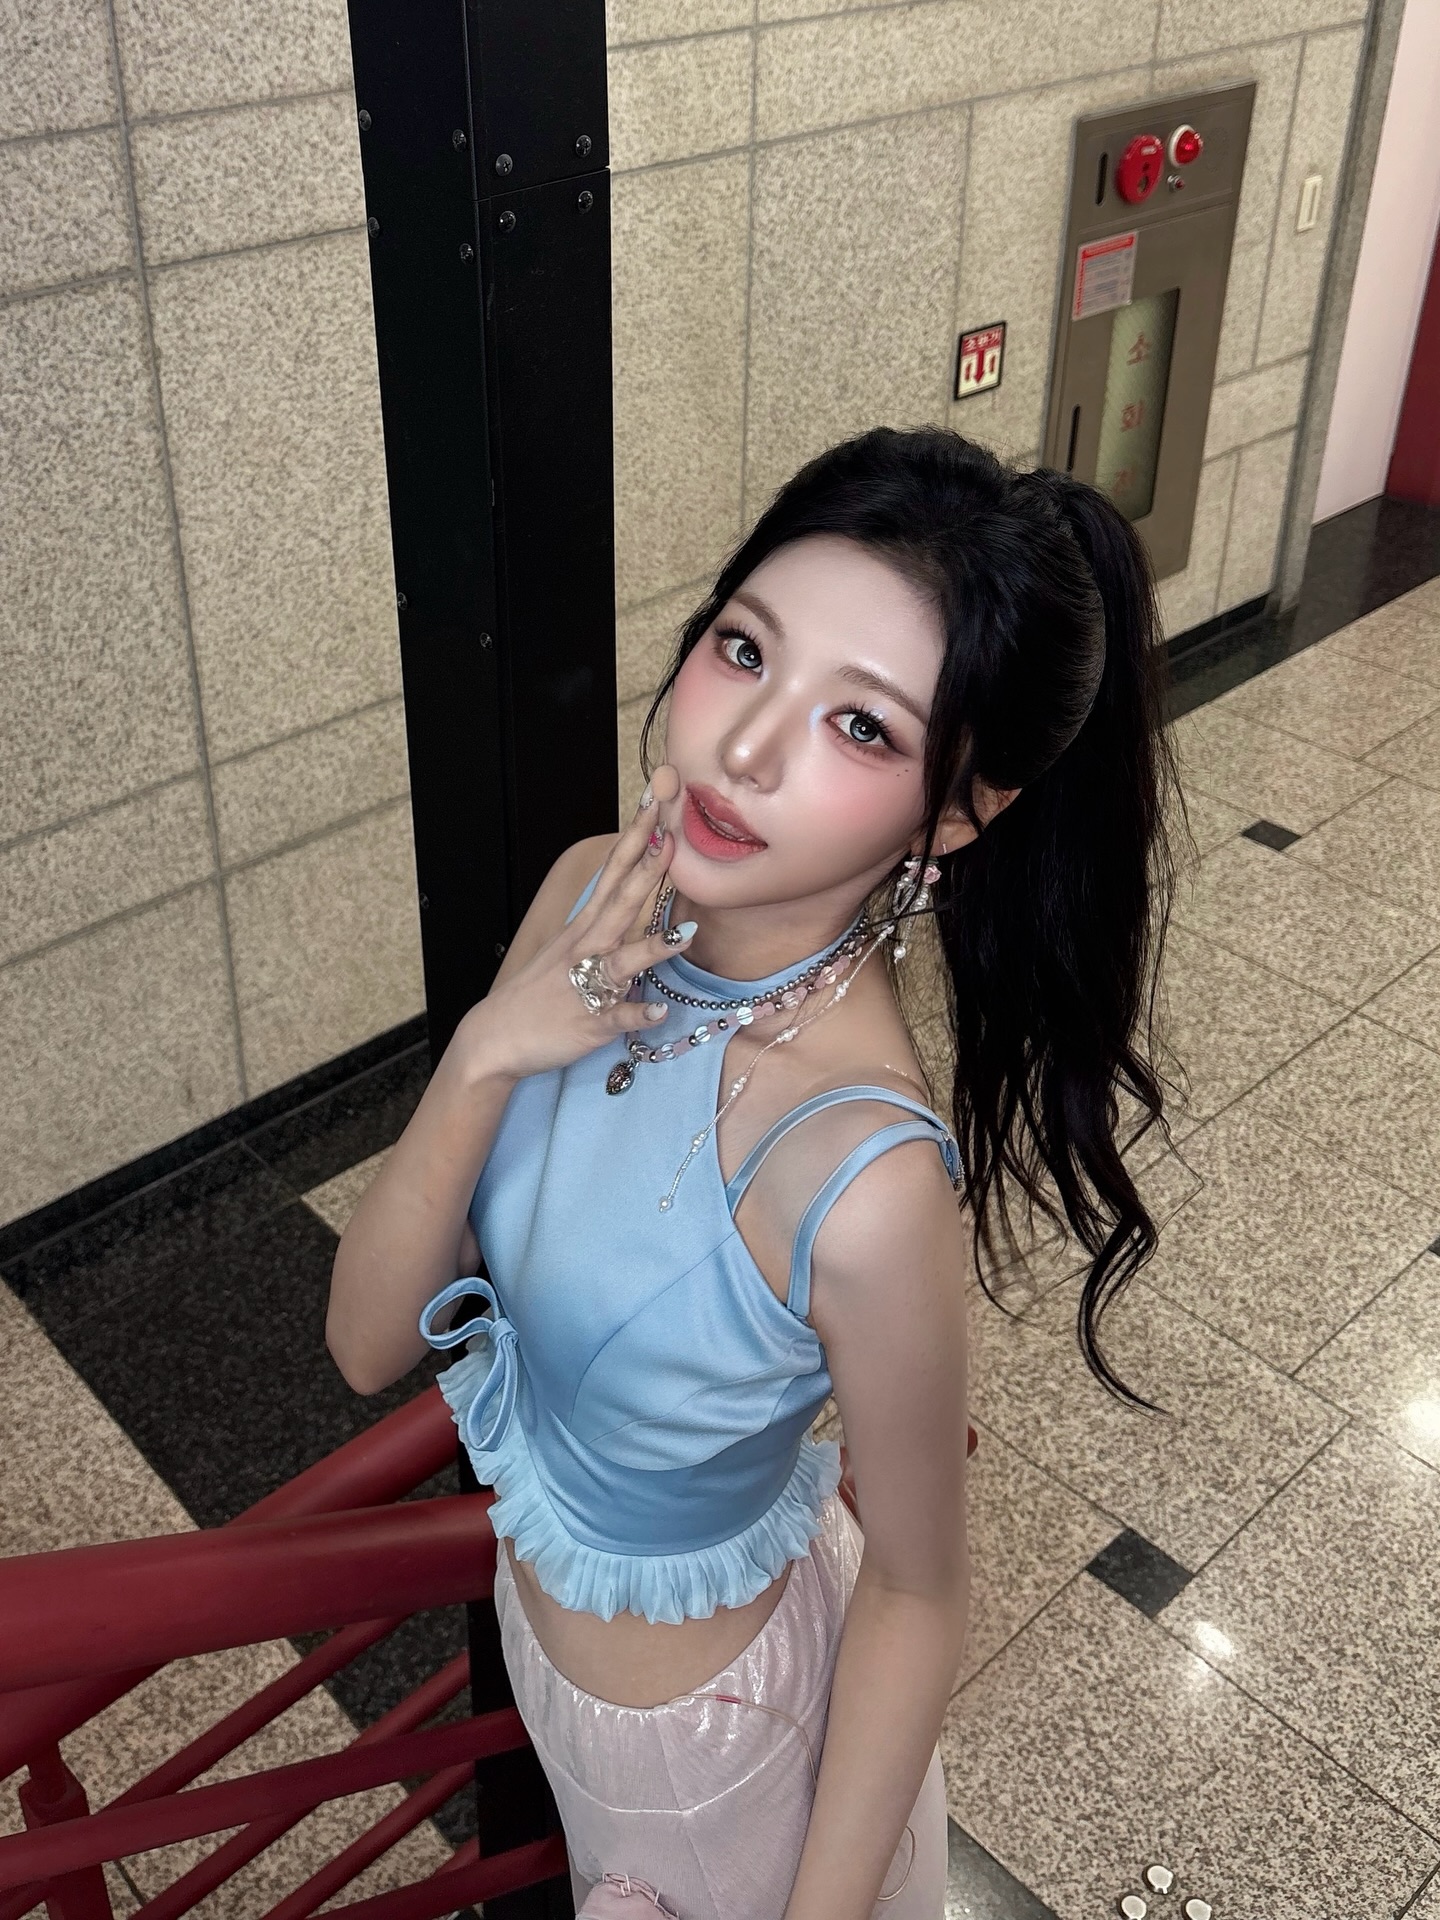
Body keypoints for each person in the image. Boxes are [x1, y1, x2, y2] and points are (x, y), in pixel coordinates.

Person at [325, 427, 1180, 1920]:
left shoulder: (861, 1173)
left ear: (959, 814)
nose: (743, 749)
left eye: (861, 727)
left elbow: (918, 1586)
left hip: (713, 1757)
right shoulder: (590, 891)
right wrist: (485, 1053)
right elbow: (365, 1343)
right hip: (558, 1663)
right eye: (744, 649)